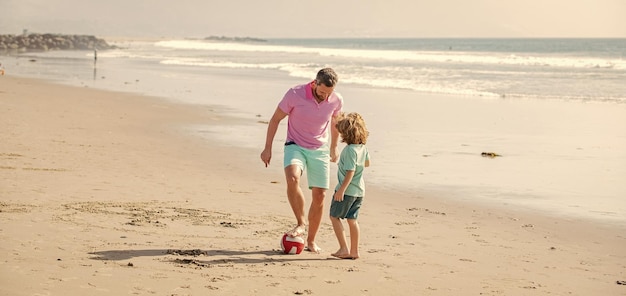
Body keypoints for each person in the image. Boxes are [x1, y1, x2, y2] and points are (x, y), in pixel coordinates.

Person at [261, 68, 343, 253]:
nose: (324, 97)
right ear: (314, 83)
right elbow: (275, 119)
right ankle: (301, 223)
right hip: (295, 144)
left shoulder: (336, 100)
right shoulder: (295, 94)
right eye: (322, 92)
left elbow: (335, 123)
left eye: (328, 93)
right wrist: (268, 148)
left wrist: (334, 147)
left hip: (319, 149)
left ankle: (311, 241)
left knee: (320, 195)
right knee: (292, 178)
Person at [330, 112, 370, 260]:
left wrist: (341, 190)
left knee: (334, 216)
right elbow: (367, 163)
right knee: (352, 220)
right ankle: (354, 251)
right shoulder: (362, 148)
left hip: (347, 191)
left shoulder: (349, 150)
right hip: (359, 191)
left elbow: (350, 172)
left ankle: (343, 248)